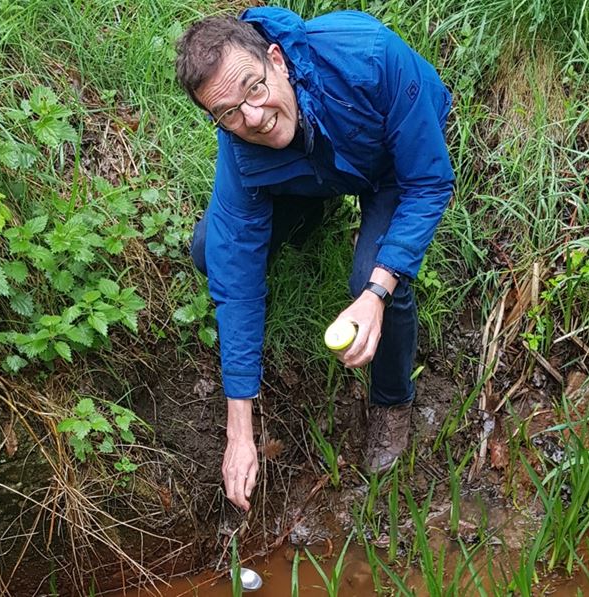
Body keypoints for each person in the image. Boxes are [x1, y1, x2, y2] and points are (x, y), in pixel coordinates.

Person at [175, 7, 454, 511]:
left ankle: (392, 402)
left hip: (392, 160)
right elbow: (236, 277)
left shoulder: (370, 59)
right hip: (313, 166)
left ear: (276, 60)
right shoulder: (241, 145)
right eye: (228, 114)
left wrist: (376, 291)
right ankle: (311, 217)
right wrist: (239, 428)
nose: (251, 117)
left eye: (253, 89)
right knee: (209, 251)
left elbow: (428, 182)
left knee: (372, 276)